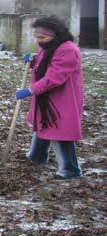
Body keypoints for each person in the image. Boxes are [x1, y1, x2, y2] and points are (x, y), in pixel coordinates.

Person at [15, 16, 83, 180]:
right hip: (47, 98)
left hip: (61, 98)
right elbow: (44, 61)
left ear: (56, 35)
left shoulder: (68, 50)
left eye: (42, 37)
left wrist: (30, 90)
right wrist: (32, 60)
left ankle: (70, 169)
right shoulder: (49, 46)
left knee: (60, 131)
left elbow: (54, 77)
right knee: (43, 124)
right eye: (37, 36)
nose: (39, 40)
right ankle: (37, 155)